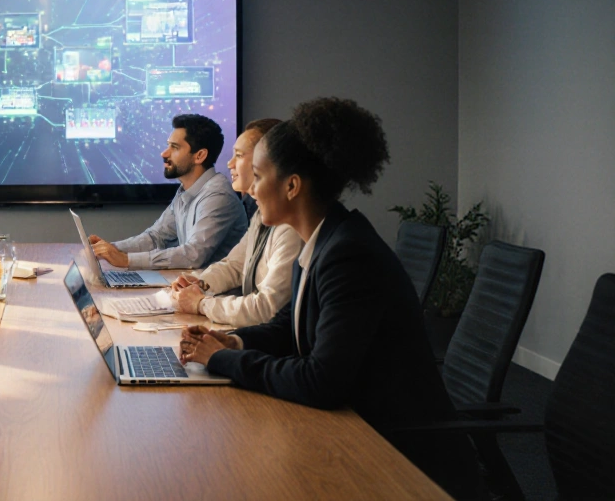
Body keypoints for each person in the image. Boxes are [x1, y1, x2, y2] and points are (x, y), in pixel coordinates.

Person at [178, 98, 481, 498]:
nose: (250, 187)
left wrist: (221, 360)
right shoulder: (326, 238)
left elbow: (321, 380)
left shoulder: (348, 254)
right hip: (358, 427)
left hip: (396, 456)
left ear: (291, 185)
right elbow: (292, 324)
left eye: (258, 175)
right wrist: (232, 341)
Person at [169, 119, 303, 327]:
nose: (229, 164)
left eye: (239, 156)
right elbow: (235, 266)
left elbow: (267, 308)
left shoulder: (291, 227)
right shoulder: (261, 214)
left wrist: (202, 303)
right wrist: (201, 283)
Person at [89, 114, 247, 270]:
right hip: (192, 288)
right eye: (168, 145)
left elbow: (194, 254)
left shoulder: (218, 195)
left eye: (175, 147)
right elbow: (156, 237)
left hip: (214, 293)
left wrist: (127, 260)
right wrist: (109, 249)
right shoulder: (185, 191)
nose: (164, 154)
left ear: (199, 156)